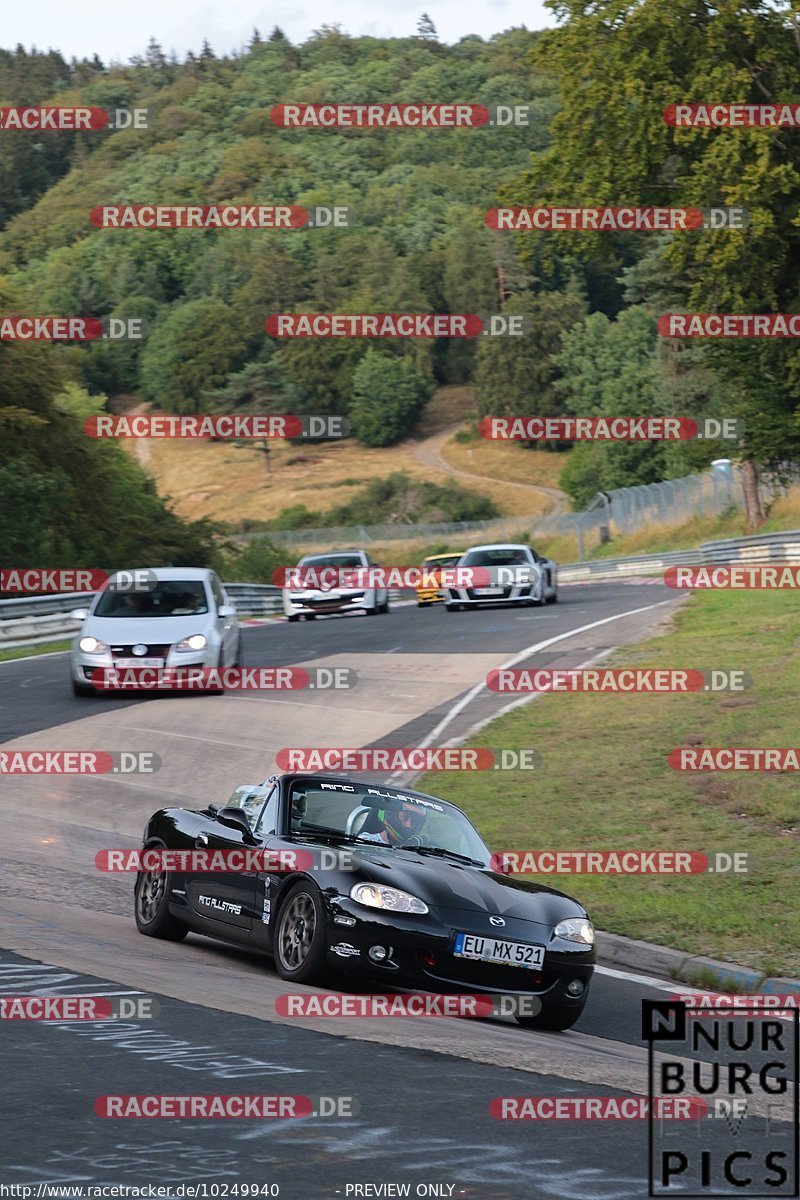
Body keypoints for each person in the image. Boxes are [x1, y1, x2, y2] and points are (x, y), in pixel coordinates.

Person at [357, 801, 427, 847]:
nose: (409, 825)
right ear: (391, 815)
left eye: (414, 822)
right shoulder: (367, 841)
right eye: (404, 818)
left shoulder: (417, 847)